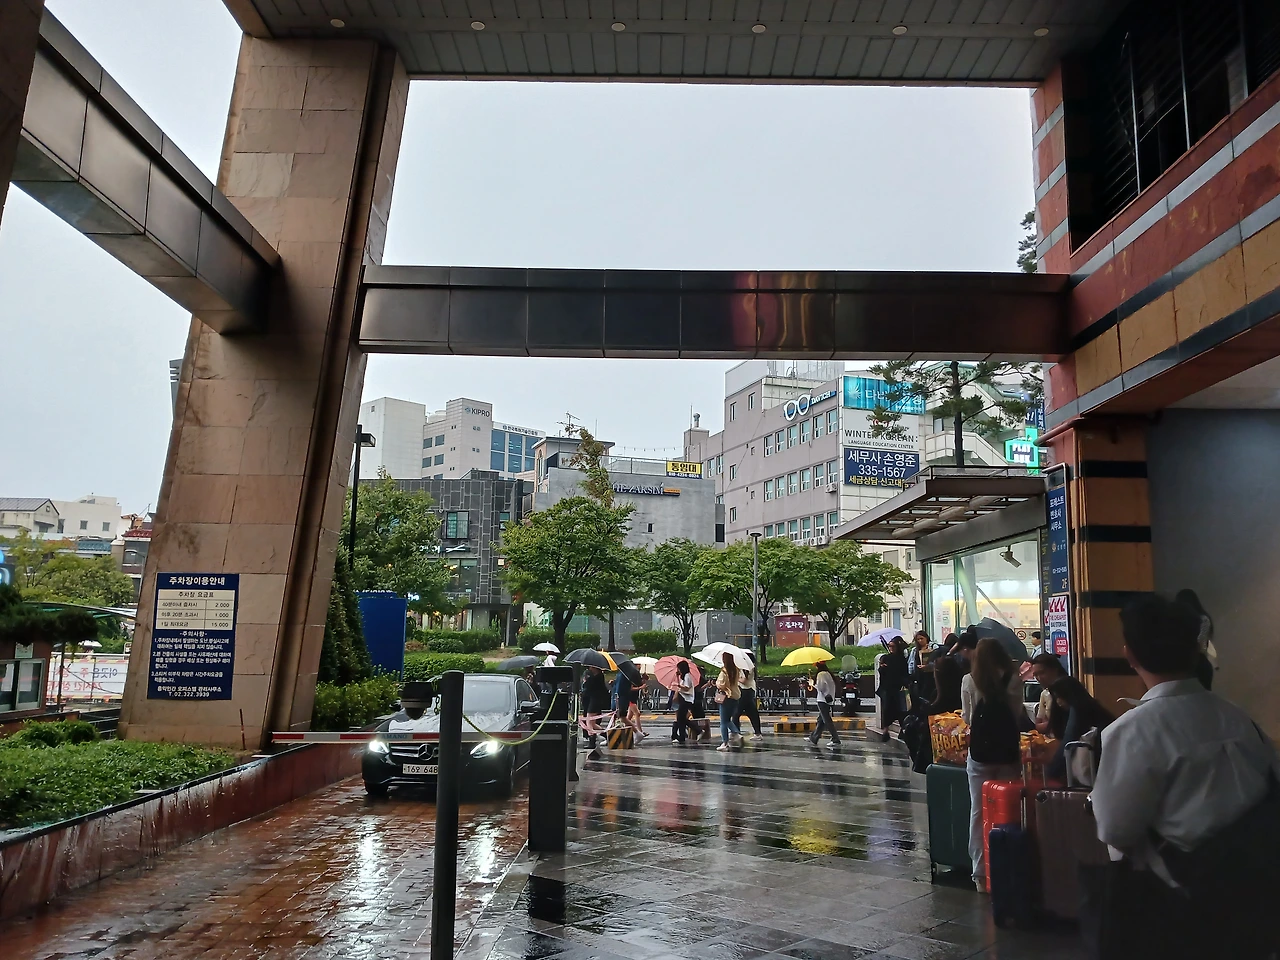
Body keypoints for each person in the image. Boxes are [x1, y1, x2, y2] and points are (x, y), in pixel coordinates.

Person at [1088, 594, 1279, 959]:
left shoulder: (1132, 731)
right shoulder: (1241, 719)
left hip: (1181, 901)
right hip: (1257, 892)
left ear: (1130, 655)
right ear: (1195, 651)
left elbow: (1116, 830)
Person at [961, 637, 1023, 892]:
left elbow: (967, 718)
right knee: (1009, 808)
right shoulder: (1014, 679)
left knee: (978, 811)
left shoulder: (969, 681)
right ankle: (1009, 866)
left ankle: (980, 874)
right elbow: (1017, 715)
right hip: (1008, 754)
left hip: (980, 755)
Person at [1043, 675, 1113, 782]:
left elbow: (1068, 740)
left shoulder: (1079, 708)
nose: (1058, 701)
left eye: (1060, 696)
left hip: (1100, 765)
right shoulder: (1085, 706)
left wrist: (1051, 772)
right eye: (1056, 697)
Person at [1174, 588, 1217, 690]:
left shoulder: (1201, 619)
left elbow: (1199, 642)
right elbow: (1201, 642)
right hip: (1198, 662)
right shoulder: (1203, 619)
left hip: (1189, 663)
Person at [875, 637, 909, 741]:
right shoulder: (886, 658)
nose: (891, 648)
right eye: (889, 646)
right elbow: (881, 672)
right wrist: (883, 667)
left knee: (901, 710)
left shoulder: (902, 659)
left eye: (893, 646)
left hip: (898, 688)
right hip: (888, 688)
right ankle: (886, 731)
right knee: (887, 709)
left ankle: (903, 731)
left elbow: (904, 673)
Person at [1029, 652, 1066, 735]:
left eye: (1042, 673)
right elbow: (1038, 725)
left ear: (1054, 670)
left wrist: (1050, 723)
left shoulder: (1067, 690)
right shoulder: (1045, 694)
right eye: (1035, 675)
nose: (1039, 678)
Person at [808, 661, 841, 749]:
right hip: (828, 699)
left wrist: (812, 684)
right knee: (821, 720)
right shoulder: (828, 674)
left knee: (826, 720)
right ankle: (813, 737)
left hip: (822, 700)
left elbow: (821, 688)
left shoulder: (821, 674)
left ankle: (835, 739)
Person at [715, 652, 743, 752]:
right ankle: (736, 733)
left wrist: (717, 683)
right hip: (735, 696)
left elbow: (721, 685)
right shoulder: (736, 669)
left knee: (723, 721)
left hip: (726, 697)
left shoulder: (724, 671)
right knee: (727, 719)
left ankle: (725, 743)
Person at [580, 666, 611, 748]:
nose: (590, 669)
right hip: (594, 700)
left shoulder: (597, 677)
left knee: (589, 721)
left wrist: (586, 681)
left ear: (595, 668)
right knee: (593, 723)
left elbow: (589, 685)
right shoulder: (596, 676)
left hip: (595, 701)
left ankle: (592, 741)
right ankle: (606, 735)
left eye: (591, 667)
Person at [736, 652, 765, 741]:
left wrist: (735, 678)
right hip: (749, 691)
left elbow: (744, 681)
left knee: (736, 713)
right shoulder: (750, 667)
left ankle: (736, 733)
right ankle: (758, 733)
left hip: (745, 691)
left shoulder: (748, 668)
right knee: (752, 713)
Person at [670, 660, 698, 745]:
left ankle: (696, 731)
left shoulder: (687, 676)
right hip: (684, 699)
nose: (678, 670)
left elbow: (686, 687)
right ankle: (682, 736)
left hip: (687, 699)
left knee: (680, 718)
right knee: (681, 719)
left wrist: (678, 685)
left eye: (679, 668)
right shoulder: (684, 676)